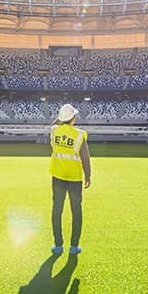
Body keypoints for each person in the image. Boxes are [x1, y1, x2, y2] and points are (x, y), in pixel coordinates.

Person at [48, 103, 91, 255]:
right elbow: (85, 158)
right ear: (73, 118)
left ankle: (58, 245)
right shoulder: (80, 135)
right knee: (76, 211)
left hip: (58, 177)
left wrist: (61, 118)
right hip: (74, 179)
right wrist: (88, 175)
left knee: (57, 210)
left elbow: (54, 124)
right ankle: (74, 246)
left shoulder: (54, 131)